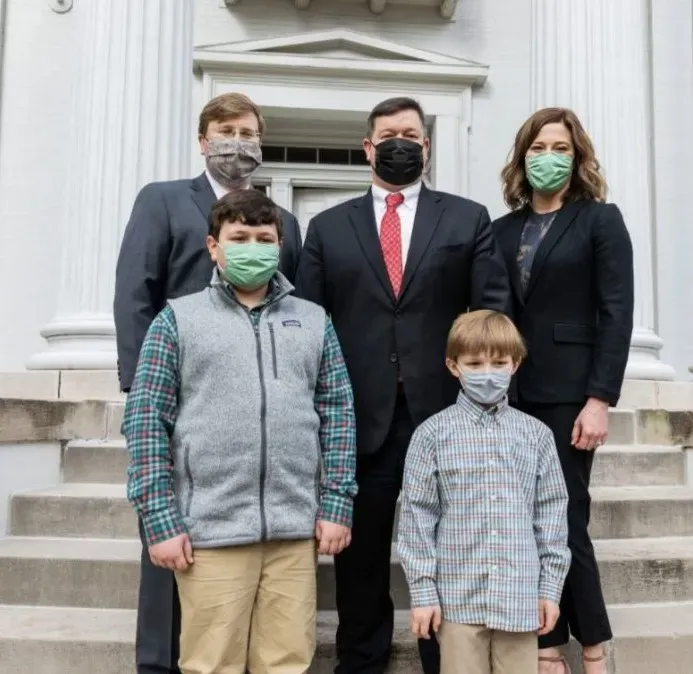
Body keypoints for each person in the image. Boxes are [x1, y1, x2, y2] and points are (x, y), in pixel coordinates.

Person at [294, 96, 510, 674]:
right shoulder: (327, 227)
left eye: (411, 135)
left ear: (427, 146)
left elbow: (490, 312)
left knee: (449, 546)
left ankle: (447, 661)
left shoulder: (466, 219)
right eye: (389, 134)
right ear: (368, 147)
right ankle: (362, 659)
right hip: (358, 417)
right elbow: (309, 323)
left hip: (443, 413)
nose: (400, 143)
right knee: (360, 554)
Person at [122, 188, 358, 674]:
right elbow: (146, 423)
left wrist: (337, 503)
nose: (254, 248)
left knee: (287, 663)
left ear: (280, 246)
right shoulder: (177, 321)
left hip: (293, 533)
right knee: (212, 664)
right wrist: (160, 520)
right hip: (211, 532)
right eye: (240, 237)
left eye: (264, 239)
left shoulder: (314, 321)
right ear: (214, 246)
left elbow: (337, 414)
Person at [113, 92, 302, 674]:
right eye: (226, 130)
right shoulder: (164, 200)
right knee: (167, 540)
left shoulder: (285, 222)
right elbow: (135, 291)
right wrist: (144, 391)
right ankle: (158, 663)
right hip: (177, 391)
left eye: (248, 132)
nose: (237, 142)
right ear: (203, 140)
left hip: (252, 404)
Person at [492, 107, 634, 674]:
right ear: (522, 156)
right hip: (510, 393)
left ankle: (594, 648)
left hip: (571, 394)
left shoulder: (600, 220)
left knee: (566, 518)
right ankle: (547, 646)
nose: (548, 157)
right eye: (538, 147)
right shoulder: (501, 230)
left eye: (561, 149)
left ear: (577, 160)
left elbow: (616, 312)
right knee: (525, 520)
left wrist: (600, 399)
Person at [397, 309, 571, 674]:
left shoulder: (536, 436)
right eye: (475, 363)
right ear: (453, 365)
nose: (487, 373)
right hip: (458, 600)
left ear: (515, 364)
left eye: (499, 362)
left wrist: (549, 590)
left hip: (519, 598)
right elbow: (417, 517)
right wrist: (423, 592)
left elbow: (551, 515)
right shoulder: (431, 435)